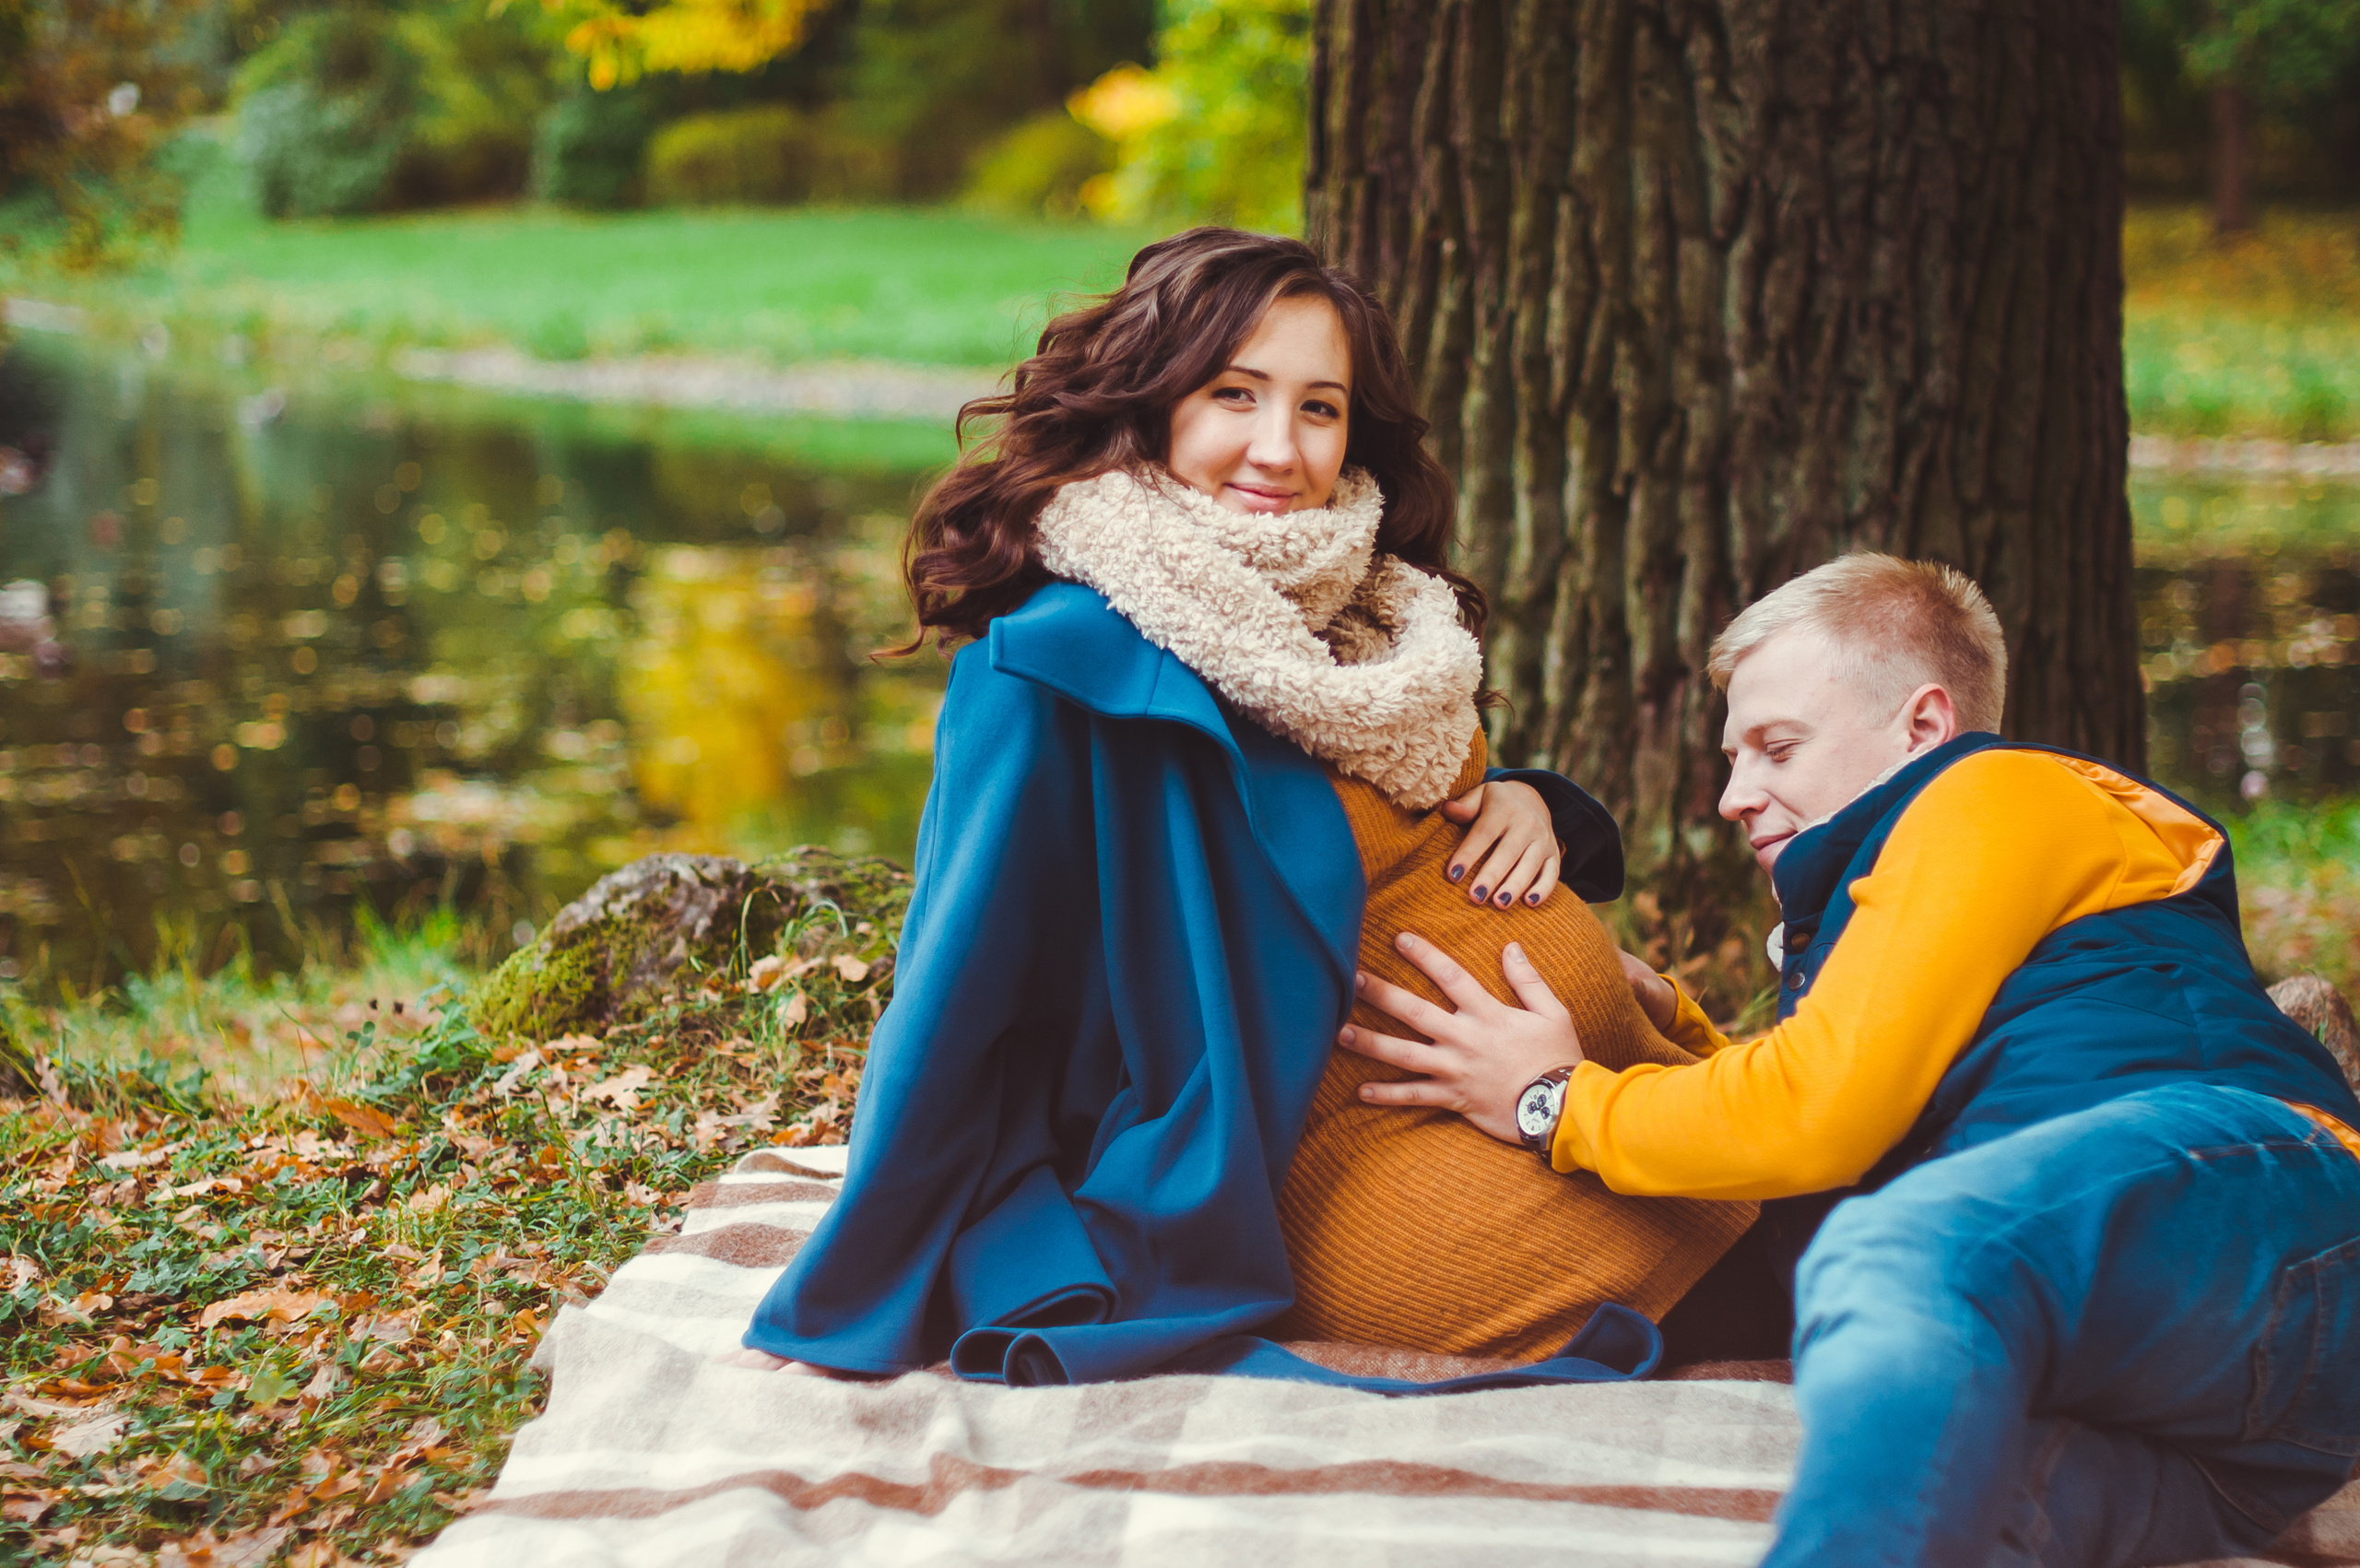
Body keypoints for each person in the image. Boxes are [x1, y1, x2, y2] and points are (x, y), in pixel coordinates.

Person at [727, 227, 1752, 1387]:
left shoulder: (1374, 618)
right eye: (1234, 395)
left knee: (1891, 1183)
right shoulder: (1056, 669)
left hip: (1586, 1082)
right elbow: (960, 984)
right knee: (1835, 1265)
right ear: (1149, 403)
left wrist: (1530, 800)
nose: (1281, 449)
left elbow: (1378, 836)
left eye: (1320, 408)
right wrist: (874, 1271)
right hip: (1356, 1162)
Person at [1339, 551, 2360, 1564]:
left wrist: (1553, 1103)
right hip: (2229, 1433)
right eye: (1734, 759)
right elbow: (1840, 1119)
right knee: (1936, 1509)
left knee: (1896, 1254)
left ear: (1922, 726)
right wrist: (1679, 1030)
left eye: (1777, 748)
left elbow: (1815, 1118)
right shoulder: (1894, 905)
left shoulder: (1998, 792)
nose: (1737, 796)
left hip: (2261, 1212)